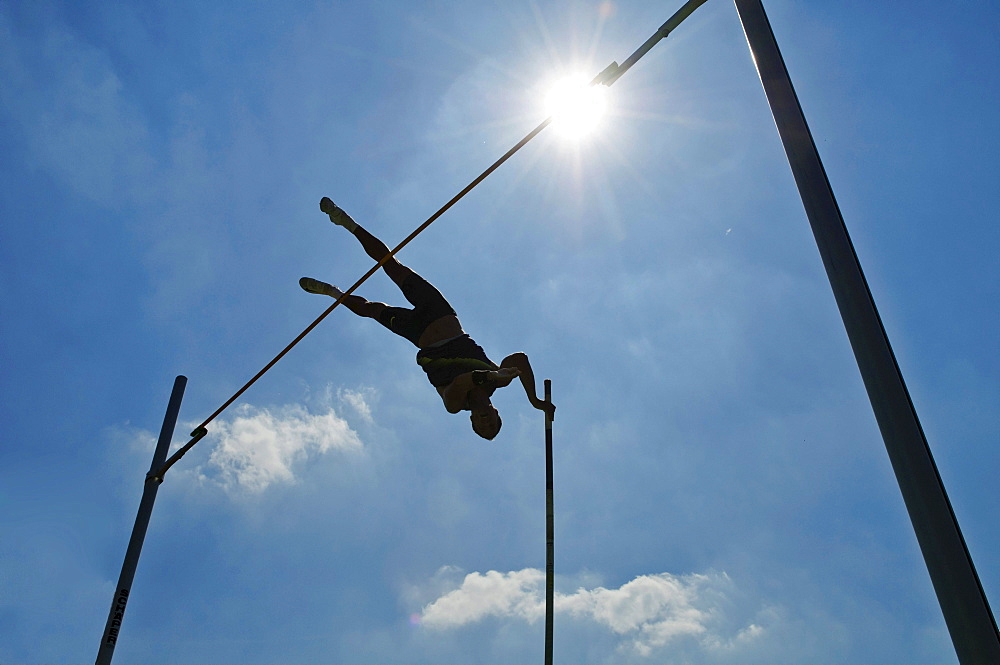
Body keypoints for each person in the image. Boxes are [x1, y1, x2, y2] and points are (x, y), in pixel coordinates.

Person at [300, 197, 555, 440]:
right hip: (441, 313)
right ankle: (345, 221)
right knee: (392, 265)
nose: (485, 419)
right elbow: (520, 358)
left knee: (371, 310)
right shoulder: (497, 379)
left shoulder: (456, 404)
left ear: (473, 421)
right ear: (497, 413)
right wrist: (534, 400)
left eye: (482, 425)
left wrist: (496, 376)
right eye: (492, 422)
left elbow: (463, 381)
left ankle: (333, 293)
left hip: (418, 333)